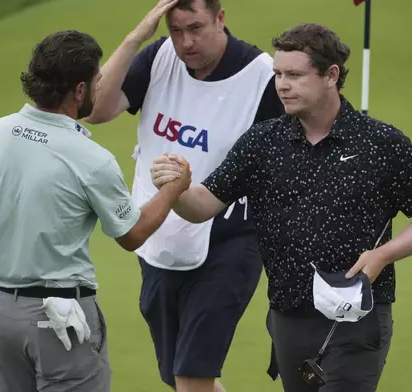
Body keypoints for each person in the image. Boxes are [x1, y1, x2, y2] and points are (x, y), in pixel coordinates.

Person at [150, 23, 412, 392]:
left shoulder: (380, 142)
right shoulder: (263, 142)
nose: (282, 84)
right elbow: (201, 207)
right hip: (287, 316)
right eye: (278, 74)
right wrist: (177, 189)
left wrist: (383, 255)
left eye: (294, 75)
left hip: (356, 317)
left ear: (331, 75)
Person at [0, 30, 190, 392]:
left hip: (1, 312)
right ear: (80, 90)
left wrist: (5, 287)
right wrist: (174, 187)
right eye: (97, 81)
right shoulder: (91, 158)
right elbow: (133, 234)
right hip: (60, 321)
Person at [84, 1, 284, 391]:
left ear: (220, 18)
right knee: (181, 379)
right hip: (158, 238)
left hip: (229, 242)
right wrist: (137, 36)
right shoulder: (158, 57)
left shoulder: (262, 78)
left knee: (192, 377)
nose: (186, 42)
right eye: (176, 31)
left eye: (196, 28)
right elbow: (95, 110)